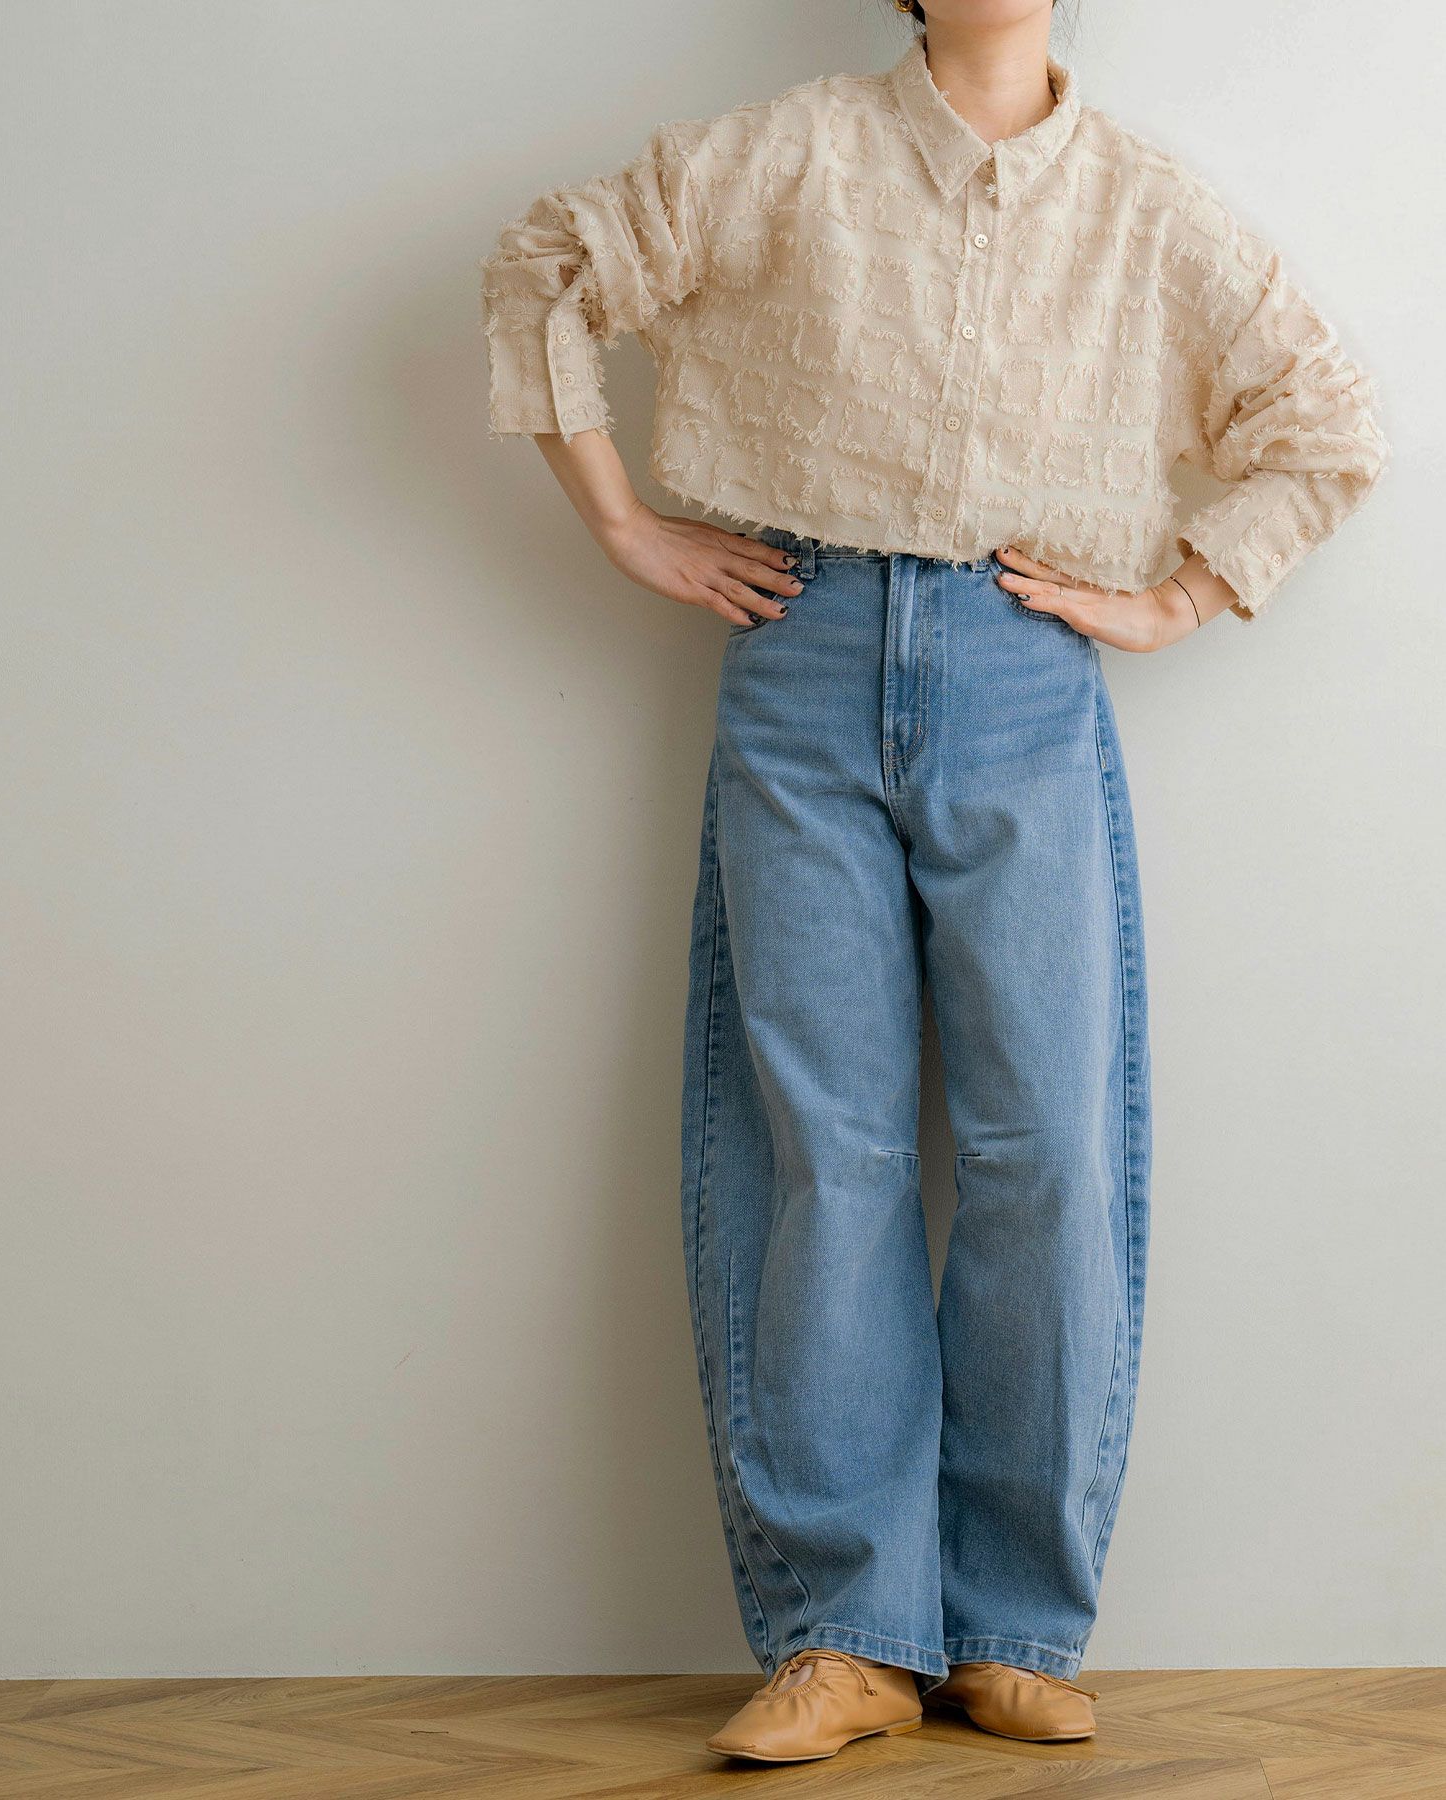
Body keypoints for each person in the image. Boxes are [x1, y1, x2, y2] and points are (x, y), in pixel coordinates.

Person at [478, 0, 1389, 1766]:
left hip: (1027, 668)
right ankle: (846, 1634)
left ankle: (1016, 1626)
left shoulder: (1149, 210)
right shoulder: (781, 155)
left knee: (1049, 1142)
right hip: (800, 647)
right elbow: (547, 267)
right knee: (825, 1146)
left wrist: (1177, 597)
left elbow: (1324, 422)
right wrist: (624, 524)